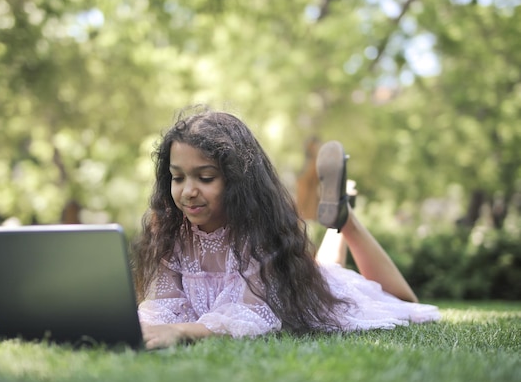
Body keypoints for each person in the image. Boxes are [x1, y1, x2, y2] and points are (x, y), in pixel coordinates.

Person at [132, 107, 440, 350]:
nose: (188, 191)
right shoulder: (172, 233)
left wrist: (182, 330)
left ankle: (346, 221)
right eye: (178, 177)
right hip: (306, 278)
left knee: (404, 304)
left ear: (238, 179)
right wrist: (144, 327)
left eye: (206, 177)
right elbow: (162, 305)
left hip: (309, 293)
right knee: (324, 269)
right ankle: (339, 215)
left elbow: (250, 315)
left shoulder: (257, 233)